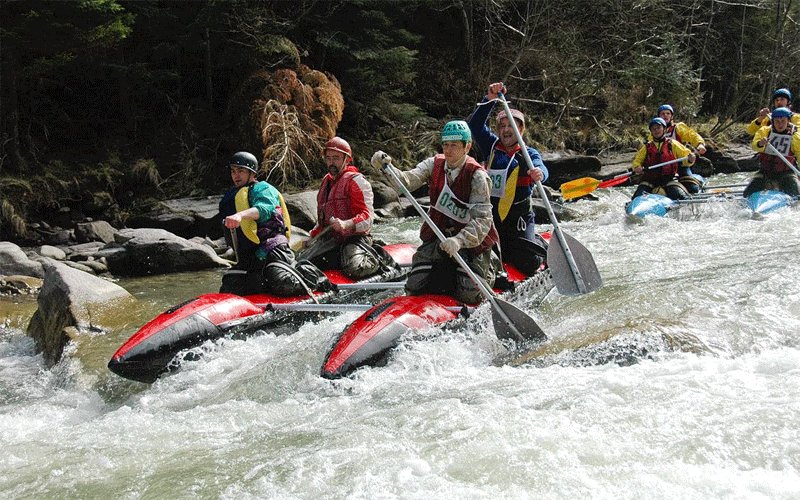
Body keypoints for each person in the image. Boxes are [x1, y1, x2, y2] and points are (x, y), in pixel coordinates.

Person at [371, 120, 500, 304]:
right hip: (438, 238)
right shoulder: (434, 164)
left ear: (467, 146)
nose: (448, 150)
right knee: (415, 285)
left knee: (468, 294)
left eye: (454, 145)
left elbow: (483, 221)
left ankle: (490, 269)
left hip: (472, 244)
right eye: (445, 145)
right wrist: (387, 169)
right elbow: (406, 182)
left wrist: (459, 240)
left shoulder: (478, 176)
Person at [466, 82, 548, 276]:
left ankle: (539, 243)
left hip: (519, 218)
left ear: (521, 130)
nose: (506, 130)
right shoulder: (492, 146)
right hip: (492, 217)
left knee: (527, 263)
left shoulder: (528, 154)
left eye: (511, 125)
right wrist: (489, 100)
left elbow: (541, 167)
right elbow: (475, 126)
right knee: (481, 255)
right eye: (502, 126)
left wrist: (540, 174)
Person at [219, 151, 326, 296]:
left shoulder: (263, 189)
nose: (236, 175)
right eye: (233, 171)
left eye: (241, 171)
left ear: (251, 173)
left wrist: (240, 215)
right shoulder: (233, 194)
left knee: (283, 284)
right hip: (251, 255)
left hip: (273, 250)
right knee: (229, 284)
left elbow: (265, 209)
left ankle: (313, 279)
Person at [301, 137, 386, 279]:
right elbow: (322, 220)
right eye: (328, 158)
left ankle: (378, 258)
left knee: (355, 269)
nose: (331, 163)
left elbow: (368, 218)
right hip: (332, 239)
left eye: (336, 158)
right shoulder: (325, 182)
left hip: (355, 238)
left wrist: (346, 224)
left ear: (347, 159)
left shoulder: (357, 181)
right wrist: (312, 236)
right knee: (301, 264)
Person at [631, 117, 697, 201]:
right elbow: (637, 161)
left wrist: (690, 159)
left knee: (679, 195)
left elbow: (686, 156)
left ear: (664, 129)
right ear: (651, 132)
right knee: (637, 197)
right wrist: (637, 167)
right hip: (650, 180)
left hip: (669, 179)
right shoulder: (646, 147)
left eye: (658, 128)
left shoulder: (672, 144)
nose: (656, 130)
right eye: (653, 129)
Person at [746, 107, 800, 197]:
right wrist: (760, 143)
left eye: (783, 121)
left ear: (788, 121)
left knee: (797, 196)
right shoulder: (765, 131)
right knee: (747, 194)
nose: (780, 124)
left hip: (786, 173)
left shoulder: (795, 136)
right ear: (772, 121)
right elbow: (754, 146)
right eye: (777, 121)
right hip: (765, 172)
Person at [654, 104, 707, 194]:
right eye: (662, 114)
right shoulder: (654, 131)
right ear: (659, 116)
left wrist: (700, 144)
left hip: (681, 163)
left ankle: (697, 184)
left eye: (668, 113)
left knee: (692, 188)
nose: (665, 116)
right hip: (663, 166)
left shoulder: (678, 127)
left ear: (671, 116)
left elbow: (692, 135)